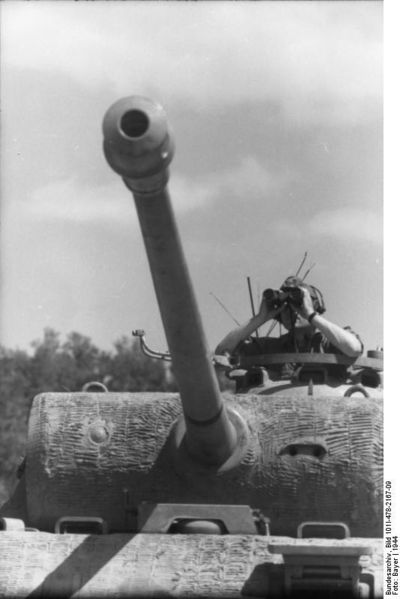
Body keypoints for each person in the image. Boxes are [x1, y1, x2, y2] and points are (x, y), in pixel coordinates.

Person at [215, 276, 363, 380]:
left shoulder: (331, 342)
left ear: (314, 306)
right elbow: (223, 351)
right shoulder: (273, 347)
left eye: (298, 305)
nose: (294, 312)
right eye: (286, 308)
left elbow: (353, 348)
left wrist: (311, 315)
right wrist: (260, 318)